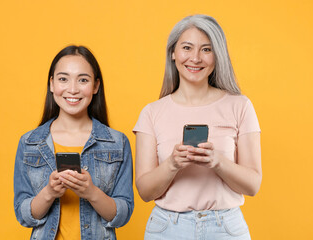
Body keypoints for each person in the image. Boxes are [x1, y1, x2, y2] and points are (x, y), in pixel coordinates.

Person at [133, 15, 261, 239]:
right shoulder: (151, 113)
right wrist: (172, 164)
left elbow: (253, 185)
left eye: (206, 49)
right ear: (173, 53)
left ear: (217, 55)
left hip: (225, 227)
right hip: (167, 228)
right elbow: (144, 191)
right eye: (187, 48)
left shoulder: (240, 106)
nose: (195, 58)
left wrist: (218, 162)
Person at [14, 45, 134, 240]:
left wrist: (91, 192)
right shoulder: (29, 143)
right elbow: (24, 215)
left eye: (83, 80)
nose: (72, 89)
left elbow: (123, 214)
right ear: (51, 84)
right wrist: (49, 192)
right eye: (63, 79)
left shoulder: (117, 142)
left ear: (95, 86)